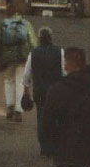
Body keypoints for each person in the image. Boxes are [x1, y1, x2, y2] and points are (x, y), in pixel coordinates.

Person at [23, 27, 65, 157]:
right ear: (51, 38)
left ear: (39, 39)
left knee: (41, 118)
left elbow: (26, 74)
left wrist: (26, 90)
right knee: (56, 118)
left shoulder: (33, 53)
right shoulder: (60, 52)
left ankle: (45, 148)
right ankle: (55, 146)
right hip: (56, 91)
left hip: (40, 91)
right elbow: (65, 72)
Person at [0, 10, 37, 121]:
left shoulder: (4, 23)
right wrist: (33, 56)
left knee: (9, 81)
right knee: (19, 82)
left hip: (7, 57)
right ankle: (18, 110)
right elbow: (33, 42)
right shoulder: (26, 23)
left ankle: (10, 106)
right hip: (22, 57)